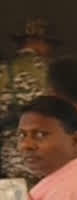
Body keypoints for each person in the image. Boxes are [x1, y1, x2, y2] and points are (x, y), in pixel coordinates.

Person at [0, 18, 56, 185]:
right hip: (45, 154)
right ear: (40, 42)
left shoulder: (3, 71)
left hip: (9, 157)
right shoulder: (53, 71)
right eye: (50, 44)